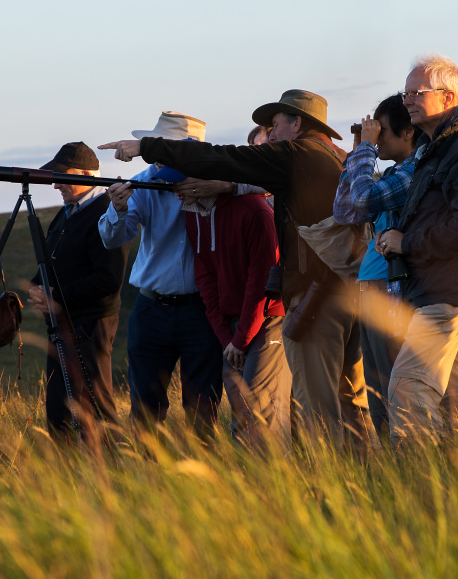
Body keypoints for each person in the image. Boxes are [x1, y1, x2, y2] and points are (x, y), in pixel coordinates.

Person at [100, 89, 373, 450]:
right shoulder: (335, 156)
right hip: (348, 294)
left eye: (275, 125)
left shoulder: (293, 157)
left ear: (296, 123)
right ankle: (366, 477)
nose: (271, 135)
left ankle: (329, 489)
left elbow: (226, 161)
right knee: (349, 401)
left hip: (310, 300)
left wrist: (148, 148)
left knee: (315, 409)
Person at [376, 55, 458, 446]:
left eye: (416, 92)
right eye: (405, 92)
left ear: (447, 98)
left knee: (409, 389)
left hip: (447, 291)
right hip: (433, 287)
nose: (407, 99)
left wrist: (406, 242)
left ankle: (420, 487)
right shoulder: (435, 149)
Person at [98, 112, 226, 437]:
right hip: (151, 309)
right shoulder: (143, 182)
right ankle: (148, 477)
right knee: (144, 409)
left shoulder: (218, 183)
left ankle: (203, 476)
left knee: (203, 409)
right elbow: (114, 237)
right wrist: (118, 208)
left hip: (202, 309)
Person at [28, 142, 129, 442]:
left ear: (87, 174)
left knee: (96, 407)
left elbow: (108, 280)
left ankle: (115, 473)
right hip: (63, 325)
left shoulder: (106, 212)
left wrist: (55, 298)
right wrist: (35, 288)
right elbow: (51, 260)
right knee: (59, 410)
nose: (56, 183)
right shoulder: (67, 214)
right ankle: (68, 478)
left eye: (62, 175)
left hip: (91, 326)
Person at [333, 94, 419, 437]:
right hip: (372, 284)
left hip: (391, 286)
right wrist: (359, 149)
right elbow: (344, 210)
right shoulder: (394, 171)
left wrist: (366, 150)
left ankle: (401, 458)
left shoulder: (413, 171)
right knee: (375, 385)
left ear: (408, 131)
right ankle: (387, 460)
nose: (377, 138)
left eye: (381, 131)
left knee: (391, 381)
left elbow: (364, 200)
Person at [182, 185, 292, 451]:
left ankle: (277, 485)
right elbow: (205, 277)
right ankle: (248, 485)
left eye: (181, 180)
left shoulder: (254, 210)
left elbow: (261, 283)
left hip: (268, 320)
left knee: (260, 411)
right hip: (233, 329)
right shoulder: (194, 213)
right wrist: (227, 339)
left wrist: (240, 339)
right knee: (242, 412)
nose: (175, 189)